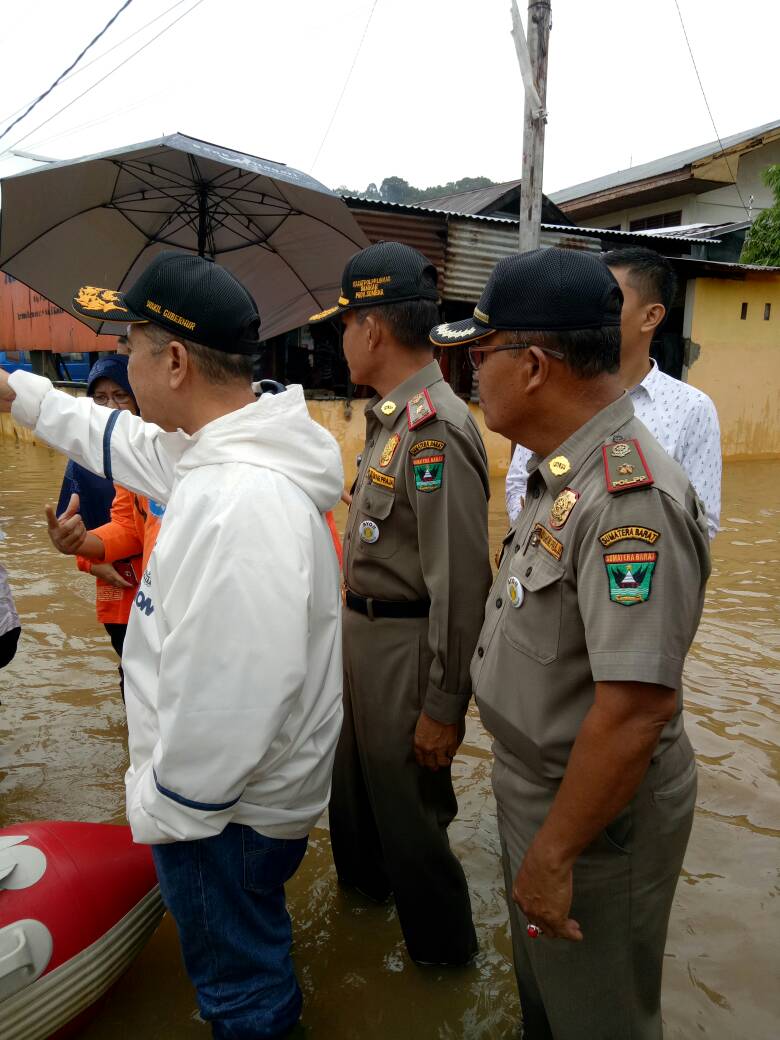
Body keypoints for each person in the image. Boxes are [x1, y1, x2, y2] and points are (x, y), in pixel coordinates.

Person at [0, 250, 344, 1039]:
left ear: (176, 360)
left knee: (240, 995)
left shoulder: (243, 504)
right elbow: (116, 439)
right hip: (240, 804)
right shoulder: (219, 455)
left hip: (221, 818)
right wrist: (19, 394)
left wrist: (162, 810)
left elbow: (230, 705)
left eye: (132, 346)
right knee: (250, 962)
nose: (123, 363)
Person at [430, 247, 710, 1039]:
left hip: (591, 820)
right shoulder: (566, 472)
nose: (469, 375)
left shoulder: (631, 499)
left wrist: (555, 856)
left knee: (601, 1015)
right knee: (550, 1002)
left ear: (534, 367)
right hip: (546, 795)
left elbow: (635, 709)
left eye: (480, 355)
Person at [309, 241, 492, 965]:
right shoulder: (391, 419)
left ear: (374, 328)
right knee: (353, 814)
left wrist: (443, 705)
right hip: (361, 644)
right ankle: (362, 947)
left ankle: (445, 970)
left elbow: (461, 582)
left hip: (404, 654)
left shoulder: (434, 430)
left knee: (413, 832)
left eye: (345, 324)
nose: (342, 339)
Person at [505, 247, 722, 539]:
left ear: (651, 316)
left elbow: (702, 522)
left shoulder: (691, 408)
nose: (592, 313)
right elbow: (519, 483)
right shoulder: (553, 387)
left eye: (610, 302)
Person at [49, 354, 142, 666]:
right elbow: (69, 528)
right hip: (113, 577)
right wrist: (91, 564)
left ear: (138, 397)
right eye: (100, 398)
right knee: (129, 664)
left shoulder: (155, 450)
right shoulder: (83, 459)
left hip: (157, 577)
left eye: (121, 396)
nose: (111, 407)